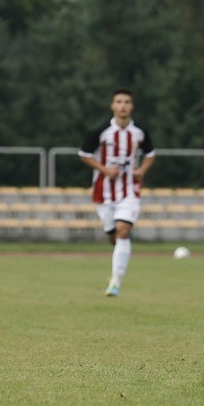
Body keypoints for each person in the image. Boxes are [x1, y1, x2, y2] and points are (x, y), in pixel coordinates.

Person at [79, 88, 156, 297]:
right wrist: (104, 170)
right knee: (114, 236)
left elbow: (150, 154)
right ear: (112, 106)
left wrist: (141, 171)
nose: (123, 106)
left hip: (130, 190)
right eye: (119, 101)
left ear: (132, 106)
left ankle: (115, 282)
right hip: (103, 193)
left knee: (123, 231)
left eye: (127, 102)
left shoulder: (140, 132)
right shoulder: (100, 131)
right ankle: (120, 253)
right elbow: (84, 154)